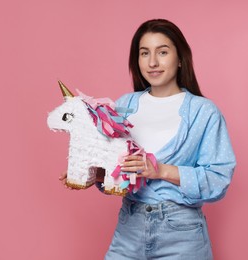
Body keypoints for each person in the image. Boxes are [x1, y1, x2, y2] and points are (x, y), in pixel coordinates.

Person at [59, 19, 236, 259]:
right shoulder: (123, 106)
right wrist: (94, 174)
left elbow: (218, 179)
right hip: (129, 228)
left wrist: (161, 170)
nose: (152, 62)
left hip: (182, 233)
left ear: (180, 58)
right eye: (144, 53)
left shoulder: (204, 112)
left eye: (162, 52)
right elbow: (118, 171)